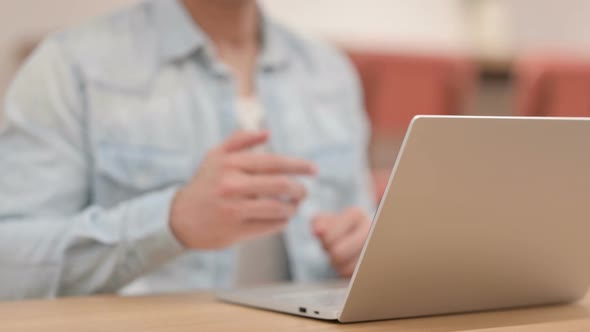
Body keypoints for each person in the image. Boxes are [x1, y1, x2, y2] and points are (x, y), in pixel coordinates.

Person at [0, 0, 375, 300]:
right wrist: (169, 222)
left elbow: (362, 233)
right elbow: (9, 263)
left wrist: (362, 250)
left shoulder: (330, 73)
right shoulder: (70, 66)